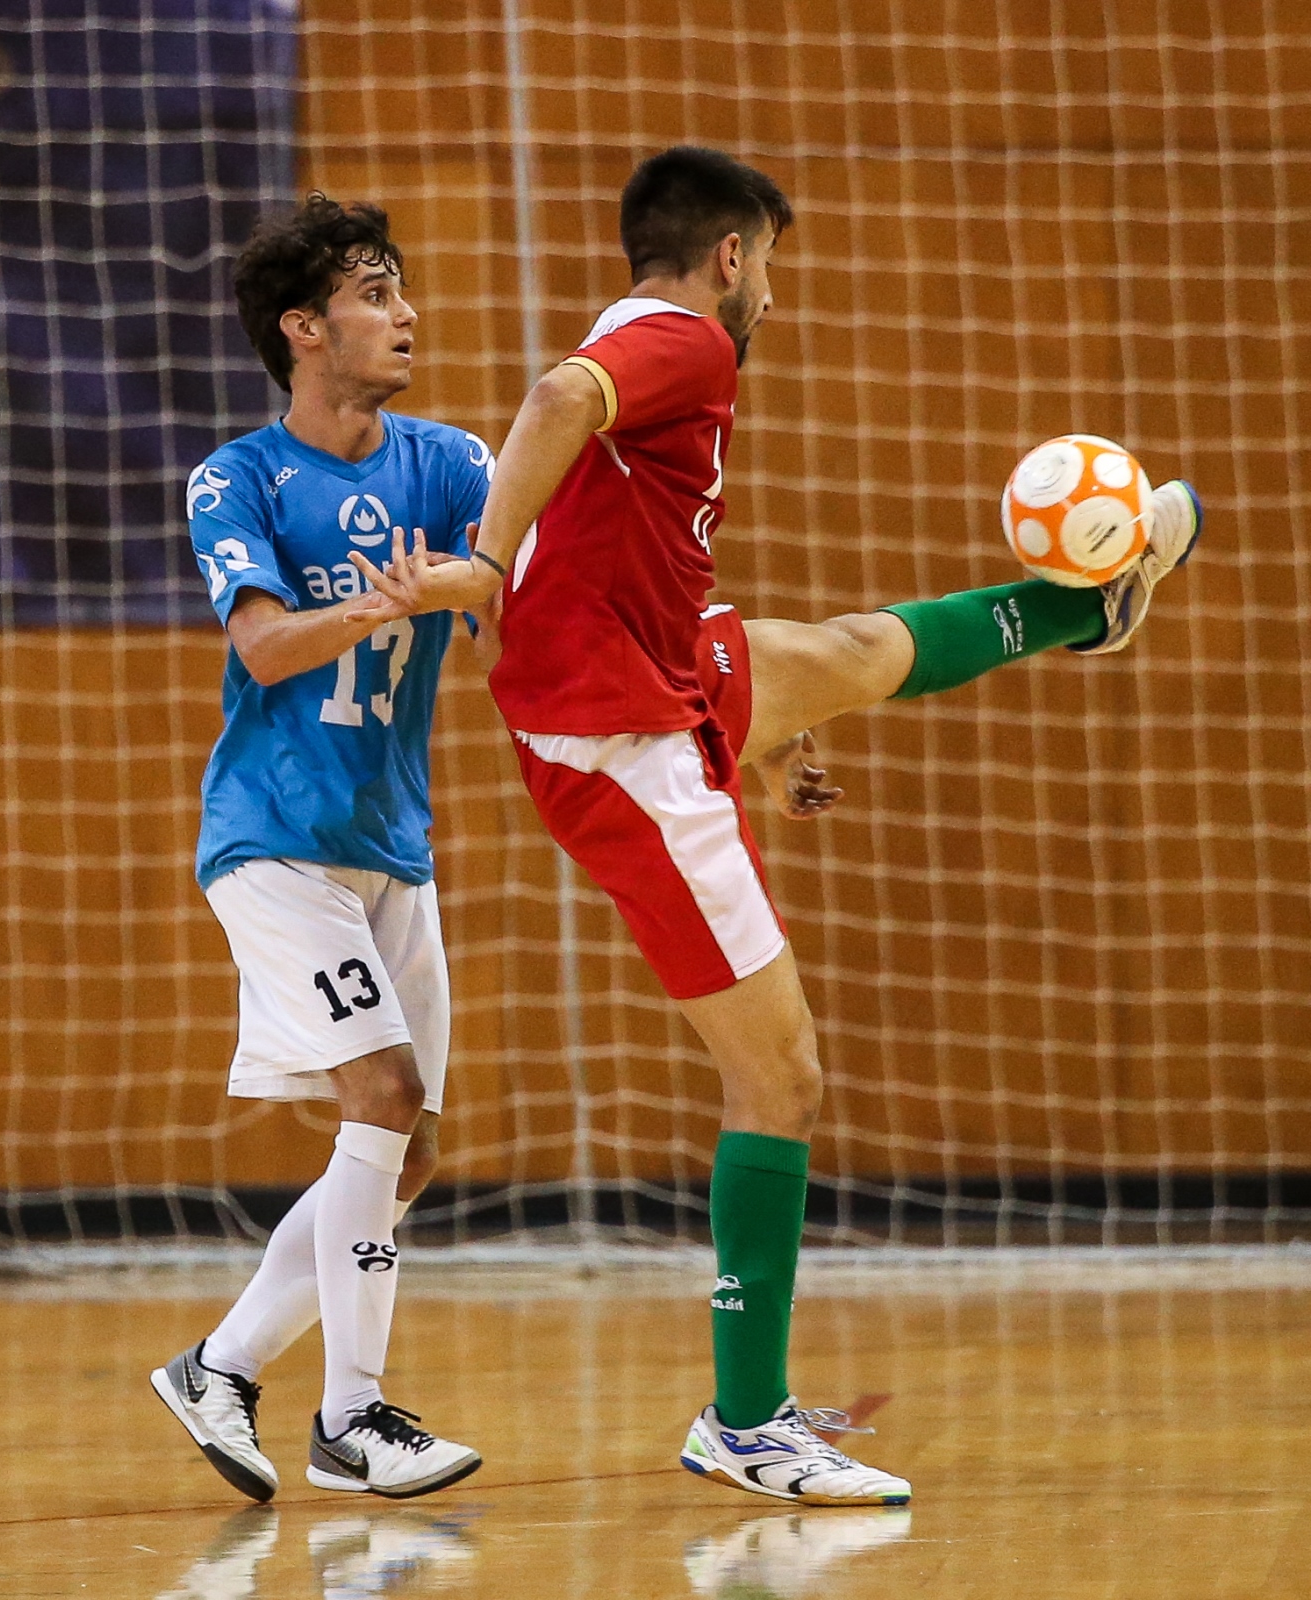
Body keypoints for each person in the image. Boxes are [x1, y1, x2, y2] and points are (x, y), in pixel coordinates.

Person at [347, 146, 1200, 1507]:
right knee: (783, 1078)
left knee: (849, 654)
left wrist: (748, 728)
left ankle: (1083, 610)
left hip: (654, 675)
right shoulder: (684, 342)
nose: (778, 299)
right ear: (733, 257)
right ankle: (743, 1424)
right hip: (619, 742)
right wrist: (487, 564)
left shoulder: (639, 337)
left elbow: (635, 538)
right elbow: (558, 399)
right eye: (774, 266)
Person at [150, 193, 490, 1503]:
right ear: (305, 327)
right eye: (375, 292)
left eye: (401, 290)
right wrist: (391, 595)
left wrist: (480, 591)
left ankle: (220, 1366)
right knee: (383, 1100)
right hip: (273, 840)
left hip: (388, 844)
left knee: (411, 1148)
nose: (404, 314)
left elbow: (511, 611)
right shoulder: (237, 477)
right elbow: (266, 647)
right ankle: (353, 1421)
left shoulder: (452, 465)